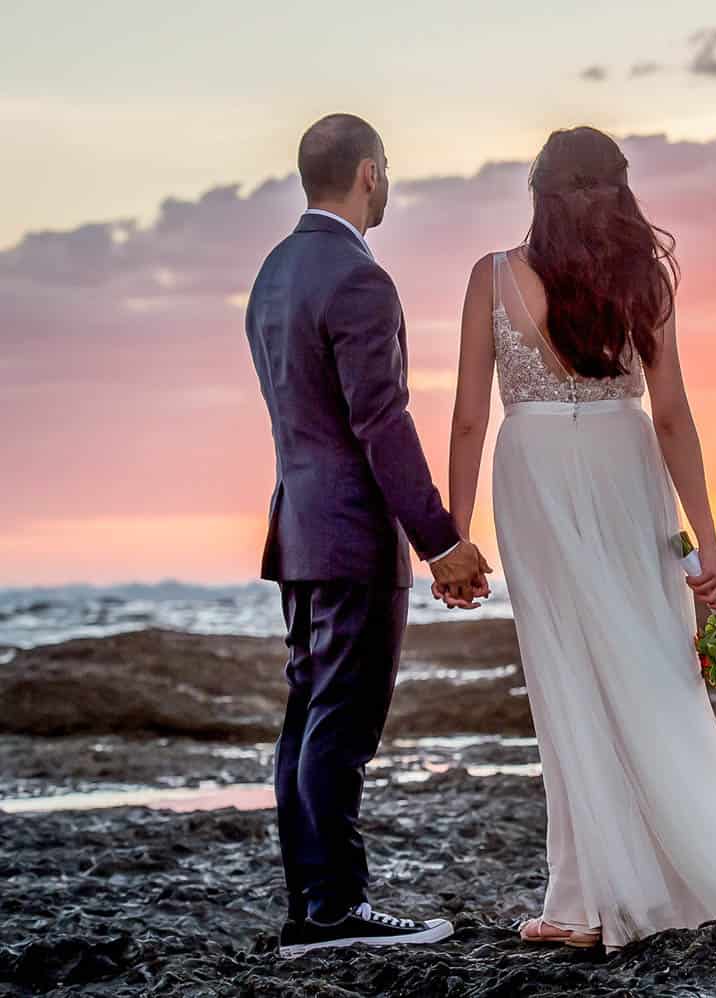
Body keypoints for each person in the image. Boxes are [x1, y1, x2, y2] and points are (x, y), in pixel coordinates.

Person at [442, 125, 716, 952]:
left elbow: (468, 416)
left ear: (539, 192)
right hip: (625, 460)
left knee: (567, 675)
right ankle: (638, 881)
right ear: (618, 188)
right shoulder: (645, 279)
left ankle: (581, 900)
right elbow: (671, 413)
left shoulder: (492, 277)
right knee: (655, 664)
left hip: (531, 465)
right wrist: (709, 543)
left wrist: (454, 537)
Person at [244, 113, 492, 959]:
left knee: (307, 719)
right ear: (367, 173)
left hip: (299, 531)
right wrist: (441, 540)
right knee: (341, 730)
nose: (387, 183)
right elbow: (380, 420)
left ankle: (309, 908)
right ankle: (336, 909)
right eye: (385, 169)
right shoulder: (359, 280)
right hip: (352, 538)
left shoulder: (271, 274)